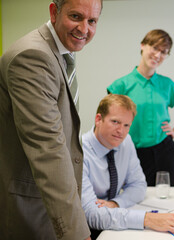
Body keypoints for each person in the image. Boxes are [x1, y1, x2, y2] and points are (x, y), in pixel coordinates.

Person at [0, 0, 102, 239]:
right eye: (76, 16)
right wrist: (77, 232)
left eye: (92, 21)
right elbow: (48, 149)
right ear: (54, 12)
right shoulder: (33, 56)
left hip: (48, 207)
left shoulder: (59, 54)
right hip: (30, 210)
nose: (84, 29)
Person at [81, 94, 174, 239]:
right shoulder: (79, 152)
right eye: (115, 122)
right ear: (98, 119)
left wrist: (115, 203)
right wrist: (147, 219)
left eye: (126, 125)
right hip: (88, 231)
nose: (120, 131)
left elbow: (139, 185)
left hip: (116, 224)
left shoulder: (125, 142)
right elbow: (91, 215)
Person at [107, 29, 174, 186]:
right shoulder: (121, 85)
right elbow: (108, 119)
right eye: (154, 48)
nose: (158, 55)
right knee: (137, 200)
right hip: (133, 153)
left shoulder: (167, 84)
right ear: (142, 46)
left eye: (163, 52)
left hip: (165, 152)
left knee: (165, 199)